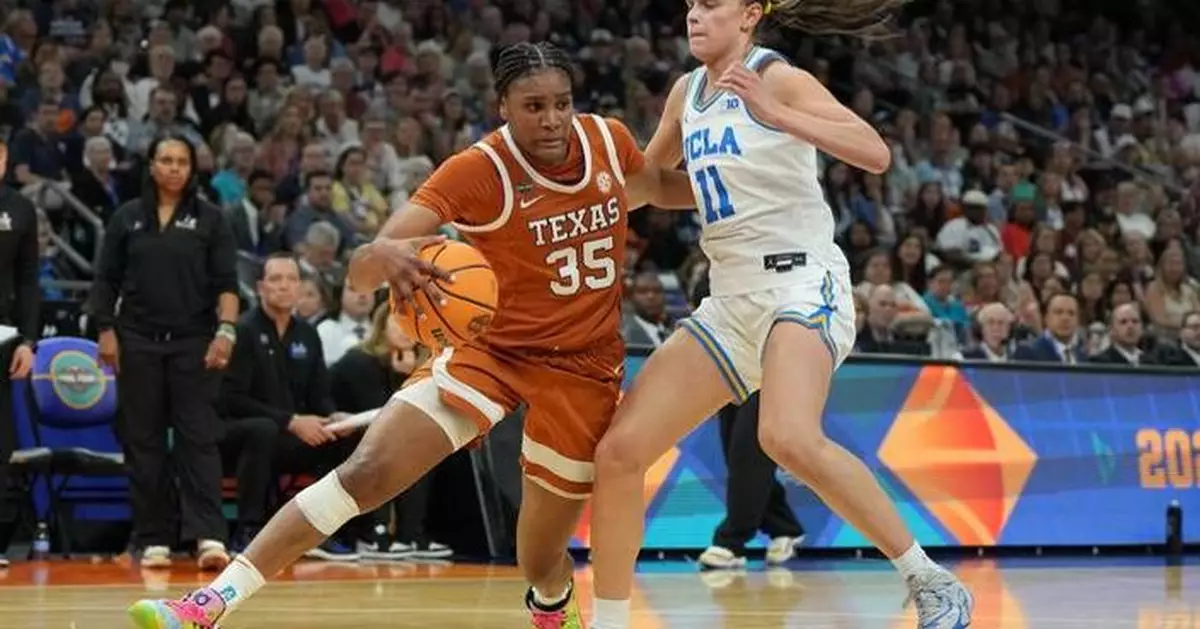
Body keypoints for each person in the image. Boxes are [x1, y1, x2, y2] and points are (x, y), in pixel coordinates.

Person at [126, 41, 694, 629]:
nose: (551, 120)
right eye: (533, 106)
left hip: (583, 368)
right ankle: (210, 603)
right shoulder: (479, 169)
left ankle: (550, 604)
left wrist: (738, 191)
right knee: (365, 472)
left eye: (562, 104)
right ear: (503, 106)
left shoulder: (606, 139)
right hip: (493, 349)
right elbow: (364, 268)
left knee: (539, 558)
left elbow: (651, 183)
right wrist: (384, 254)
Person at [585, 2, 975, 628]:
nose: (693, 14)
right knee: (620, 453)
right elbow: (655, 183)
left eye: (710, 4)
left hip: (802, 281)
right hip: (729, 298)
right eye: (689, 4)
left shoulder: (780, 76)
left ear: (749, 15)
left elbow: (874, 153)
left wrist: (776, 112)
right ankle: (607, 621)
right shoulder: (687, 92)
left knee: (785, 435)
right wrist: (578, 196)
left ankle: (929, 580)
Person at [89, 133, 239, 571]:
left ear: (192, 170)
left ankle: (208, 537)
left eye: (182, 161)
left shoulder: (211, 219)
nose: (174, 168)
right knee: (144, 443)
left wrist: (226, 331)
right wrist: (105, 329)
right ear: (151, 166)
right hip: (136, 340)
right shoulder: (127, 217)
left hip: (194, 342)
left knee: (199, 439)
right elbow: (105, 280)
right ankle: (152, 538)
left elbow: (227, 284)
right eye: (166, 160)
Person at [217, 253, 382, 559]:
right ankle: (248, 529)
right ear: (260, 287)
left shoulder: (307, 333)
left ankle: (336, 531)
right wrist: (291, 421)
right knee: (262, 430)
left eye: (291, 279)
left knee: (347, 437)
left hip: (292, 433)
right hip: (240, 434)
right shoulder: (244, 331)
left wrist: (334, 416)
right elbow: (230, 400)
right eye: (276, 279)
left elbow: (319, 394)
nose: (284, 286)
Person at [699, 392, 806, 570]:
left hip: (772, 374)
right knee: (737, 456)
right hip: (733, 372)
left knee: (748, 453)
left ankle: (731, 542)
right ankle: (783, 525)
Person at [0, 136, 39, 568]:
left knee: (1, 442)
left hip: (4, 338)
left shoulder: (20, 209)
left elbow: (29, 281)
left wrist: (28, 341)